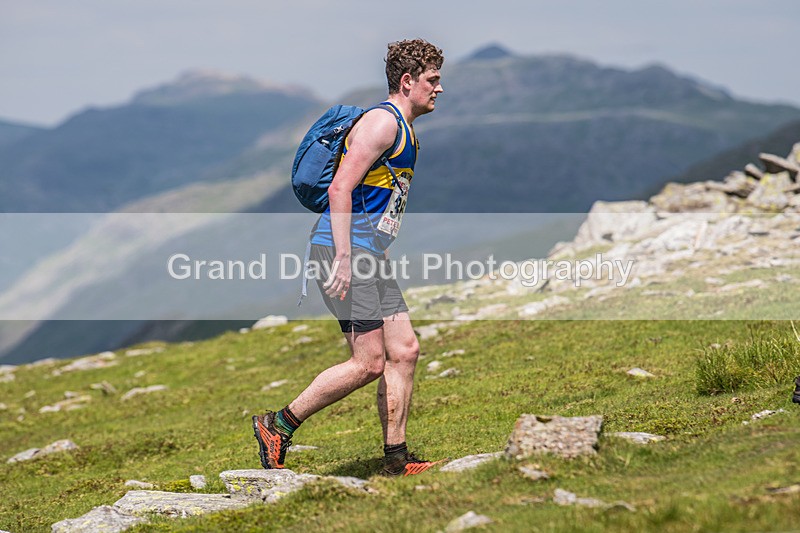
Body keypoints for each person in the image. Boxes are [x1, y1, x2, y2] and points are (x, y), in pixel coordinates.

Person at [253, 39, 445, 477]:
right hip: (344, 252)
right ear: (407, 80)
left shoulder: (406, 130)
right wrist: (343, 257)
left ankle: (397, 460)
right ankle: (276, 425)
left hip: (365, 254)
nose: (439, 89)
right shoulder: (381, 123)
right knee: (368, 362)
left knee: (405, 350)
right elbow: (340, 188)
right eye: (432, 80)